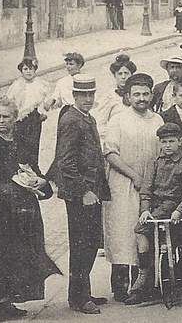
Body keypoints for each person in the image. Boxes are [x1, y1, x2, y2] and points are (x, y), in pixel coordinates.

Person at [0, 98, 60, 321]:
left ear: (14, 118)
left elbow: (34, 171)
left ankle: (8, 302)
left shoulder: (22, 142)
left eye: (6, 116)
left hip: (23, 210)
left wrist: (40, 182)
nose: (1, 121)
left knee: (19, 257)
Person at [101, 72, 163, 303]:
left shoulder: (157, 120)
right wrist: (133, 175)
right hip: (122, 183)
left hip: (150, 186)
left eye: (145, 94)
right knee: (122, 231)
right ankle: (120, 285)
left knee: (144, 232)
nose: (141, 98)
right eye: (136, 94)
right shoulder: (118, 119)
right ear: (127, 96)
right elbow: (110, 153)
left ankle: (142, 285)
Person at [53, 74, 111, 315]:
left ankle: (80, 293)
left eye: (91, 94)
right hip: (80, 194)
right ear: (74, 96)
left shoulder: (87, 118)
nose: (88, 99)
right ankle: (80, 297)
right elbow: (65, 163)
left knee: (88, 243)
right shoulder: (71, 120)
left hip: (92, 190)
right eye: (83, 95)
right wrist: (84, 191)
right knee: (81, 244)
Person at [124, 121, 182, 304]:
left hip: (173, 206)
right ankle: (143, 275)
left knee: (172, 242)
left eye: (171, 141)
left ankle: (170, 278)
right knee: (139, 230)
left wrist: (179, 211)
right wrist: (145, 210)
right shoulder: (154, 162)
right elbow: (146, 190)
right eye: (164, 142)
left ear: (180, 141)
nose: (167, 146)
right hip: (155, 207)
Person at [5, 57, 52, 165]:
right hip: (20, 118)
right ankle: (20, 168)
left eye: (31, 69)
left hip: (34, 117)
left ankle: (33, 166)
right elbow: (9, 101)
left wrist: (43, 112)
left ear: (35, 70)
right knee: (19, 145)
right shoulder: (17, 85)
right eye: (25, 69)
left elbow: (46, 101)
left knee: (33, 144)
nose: (28, 71)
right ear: (21, 71)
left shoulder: (41, 84)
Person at [93, 54, 136, 135]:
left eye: (126, 73)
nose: (123, 77)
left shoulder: (137, 94)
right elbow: (100, 124)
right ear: (115, 76)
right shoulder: (109, 97)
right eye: (120, 74)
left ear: (131, 75)